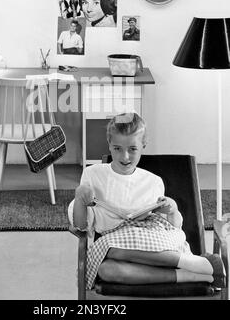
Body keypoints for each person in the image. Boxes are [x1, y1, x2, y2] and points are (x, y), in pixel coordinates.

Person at [68, 113, 225, 291]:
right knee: (106, 269)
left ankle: (193, 265)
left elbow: (171, 227)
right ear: (109, 145)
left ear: (143, 146)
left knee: (110, 248)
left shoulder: (153, 181)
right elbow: (81, 226)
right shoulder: (93, 175)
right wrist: (80, 196)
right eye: (117, 148)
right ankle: (196, 270)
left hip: (153, 240)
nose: (124, 156)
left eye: (132, 149)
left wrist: (172, 210)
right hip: (119, 252)